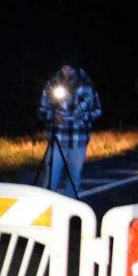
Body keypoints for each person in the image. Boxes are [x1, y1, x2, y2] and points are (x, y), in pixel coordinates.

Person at [37, 62, 102, 199]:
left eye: (69, 68)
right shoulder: (52, 84)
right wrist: (52, 116)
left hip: (78, 140)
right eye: (63, 67)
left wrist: (81, 118)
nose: (65, 71)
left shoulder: (87, 86)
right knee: (51, 176)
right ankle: (46, 205)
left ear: (76, 68)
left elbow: (98, 110)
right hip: (57, 139)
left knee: (74, 176)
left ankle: (70, 205)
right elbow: (42, 110)